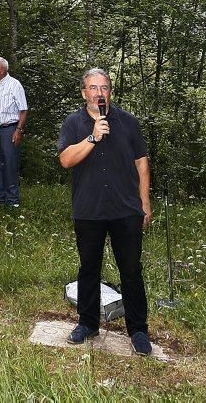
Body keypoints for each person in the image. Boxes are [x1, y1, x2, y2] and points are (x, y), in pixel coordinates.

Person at [57, 67, 153, 356]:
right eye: (93, 88)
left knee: (131, 270)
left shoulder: (127, 122)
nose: (99, 93)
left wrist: (144, 203)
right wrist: (92, 137)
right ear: (84, 92)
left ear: (110, 91)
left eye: (104, 87)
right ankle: (87, 324)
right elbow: (65, 160)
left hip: (126, 208)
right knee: (89, 268)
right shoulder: (74, 123)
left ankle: (138, 330)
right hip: (89, 208)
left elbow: (142, 164)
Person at [0, 56, 28, 208]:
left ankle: (12, 201)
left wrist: (19, 131)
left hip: (9, 129)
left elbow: (23, 110)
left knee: (9, 164)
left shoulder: (15, 85)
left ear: (1, 70)